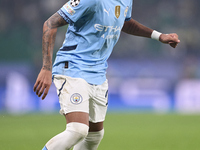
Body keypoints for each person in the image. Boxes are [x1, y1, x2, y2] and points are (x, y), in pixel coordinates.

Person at [33, 0, 180, 150]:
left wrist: (159, 36)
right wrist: (46, 68)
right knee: (77, 130)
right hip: (73, 67)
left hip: (98, 72)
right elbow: (50, 23)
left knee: (94, 136)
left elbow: (125, 22)